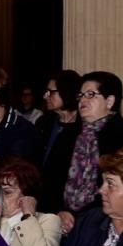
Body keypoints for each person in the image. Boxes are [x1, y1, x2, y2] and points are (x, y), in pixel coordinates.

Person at [62, 71, 123, 214]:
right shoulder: (67, 135)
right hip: (63, 216)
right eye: (80, 95)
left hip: (103, 216)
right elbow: (51, 179)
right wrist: (60, 211)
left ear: (109, 101)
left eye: (90, 94)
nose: (82, 100)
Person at [34, 69, 82, 215]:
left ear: (66, 92)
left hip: (67, 206)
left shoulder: (83, 129)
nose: (45, 96)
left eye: (51, 92)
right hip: (39, 199)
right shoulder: (44, 123)